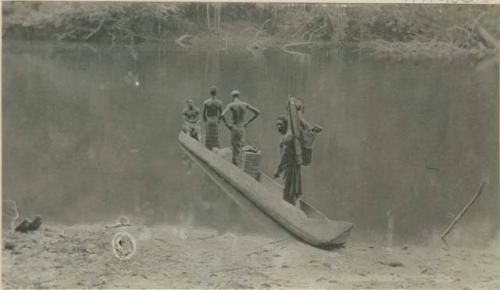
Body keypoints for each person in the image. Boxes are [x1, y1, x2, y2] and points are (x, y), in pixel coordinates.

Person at [221, 90, 260, 165]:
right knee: (241, 146)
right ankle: (241, 165)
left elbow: (222, 115)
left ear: (232, 97)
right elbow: (258, 112)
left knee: (234, 148)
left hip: (234, 127)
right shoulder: (244, 104)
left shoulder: (231, 105)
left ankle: (235, 166)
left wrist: (227, 125)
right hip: (242, 127)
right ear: (238, 96)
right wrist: (247, 122)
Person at [273, 116, 302, 205]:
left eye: (280, 124)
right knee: (291, 192)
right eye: (277, 125)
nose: (278, 127)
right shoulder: (289, 135)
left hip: (289, 169)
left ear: (286, 124)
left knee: (287, 193)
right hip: (291, 168)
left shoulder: (287, 138)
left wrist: (278, 170)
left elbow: (284, 156)